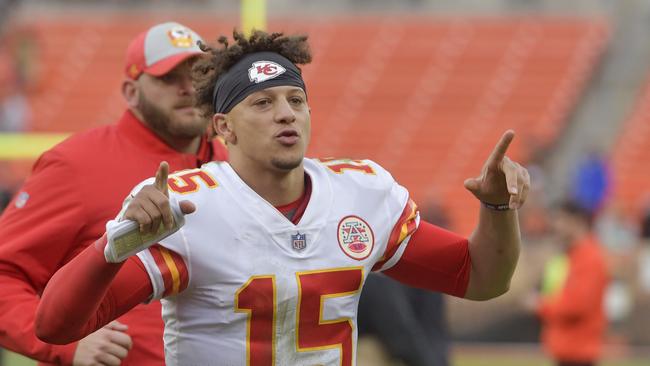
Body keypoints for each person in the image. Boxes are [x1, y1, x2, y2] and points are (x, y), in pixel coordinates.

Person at [35, 30, 530, 366]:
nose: (286, 114)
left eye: (295, 100)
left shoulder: (359, 191)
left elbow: (481, 278)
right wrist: (112, 247)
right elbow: (56, 325)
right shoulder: (191, 207)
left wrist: (497, 208)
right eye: (263, 103)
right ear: (224, 127)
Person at [0, 22, 227, 366]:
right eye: (168, 78)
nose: (188, 89)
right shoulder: (77, 164)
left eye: (199, 74)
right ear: (131, 92)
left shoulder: (235, 165)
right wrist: (66, 345)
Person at [532, 200, 609, 366]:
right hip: (569, 349)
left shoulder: (589, 259)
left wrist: (539, 305)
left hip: (578, 352)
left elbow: (575, 306)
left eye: (561, 221)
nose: (556, 227)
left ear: (577, 222)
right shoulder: (572, 257)